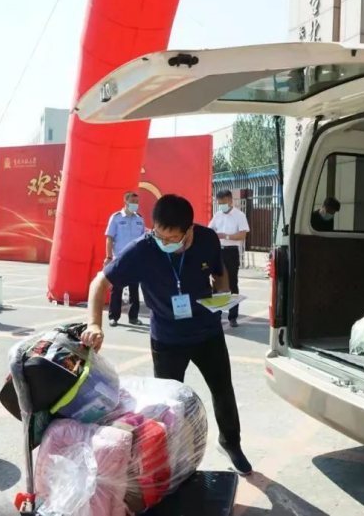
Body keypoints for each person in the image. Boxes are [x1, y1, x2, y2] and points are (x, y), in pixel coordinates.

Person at [81, 195, 252, 476]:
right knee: (169, 404)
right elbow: (99, 283)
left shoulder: (207, 239)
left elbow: (219, 272)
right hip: (167, 339)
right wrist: (94, 324)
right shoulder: (143, 249)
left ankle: (231, 443)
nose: (164, 242)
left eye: (172, 238)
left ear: (189, 230)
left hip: (207, 332)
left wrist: (222, 294)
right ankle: (171, 457)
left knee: (222, 390)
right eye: (159, 235)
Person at [209, 190, 250, 328]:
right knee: (217, 283)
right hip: (218, 251)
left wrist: (225, 236)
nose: (221, 205)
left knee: (232, 283)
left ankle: (233, 317)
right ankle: (217, 314)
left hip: (231, 252)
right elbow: (210, 230)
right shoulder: (217, 215)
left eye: (223, 202)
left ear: (230, 201)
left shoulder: (240, 216)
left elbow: (242, 235)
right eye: (219, 203)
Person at [105, 191, 146, 327]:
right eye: (133, 202)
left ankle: (133, 317)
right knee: (117, 289)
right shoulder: (116, 218)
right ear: (126, 202)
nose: (135, 204)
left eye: (137, 202)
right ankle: (113, 317)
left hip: (136, 259)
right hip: (120, 259)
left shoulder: (139, 219)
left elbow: (143, 240)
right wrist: (108, 257)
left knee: (134, 290)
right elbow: (109, 238)